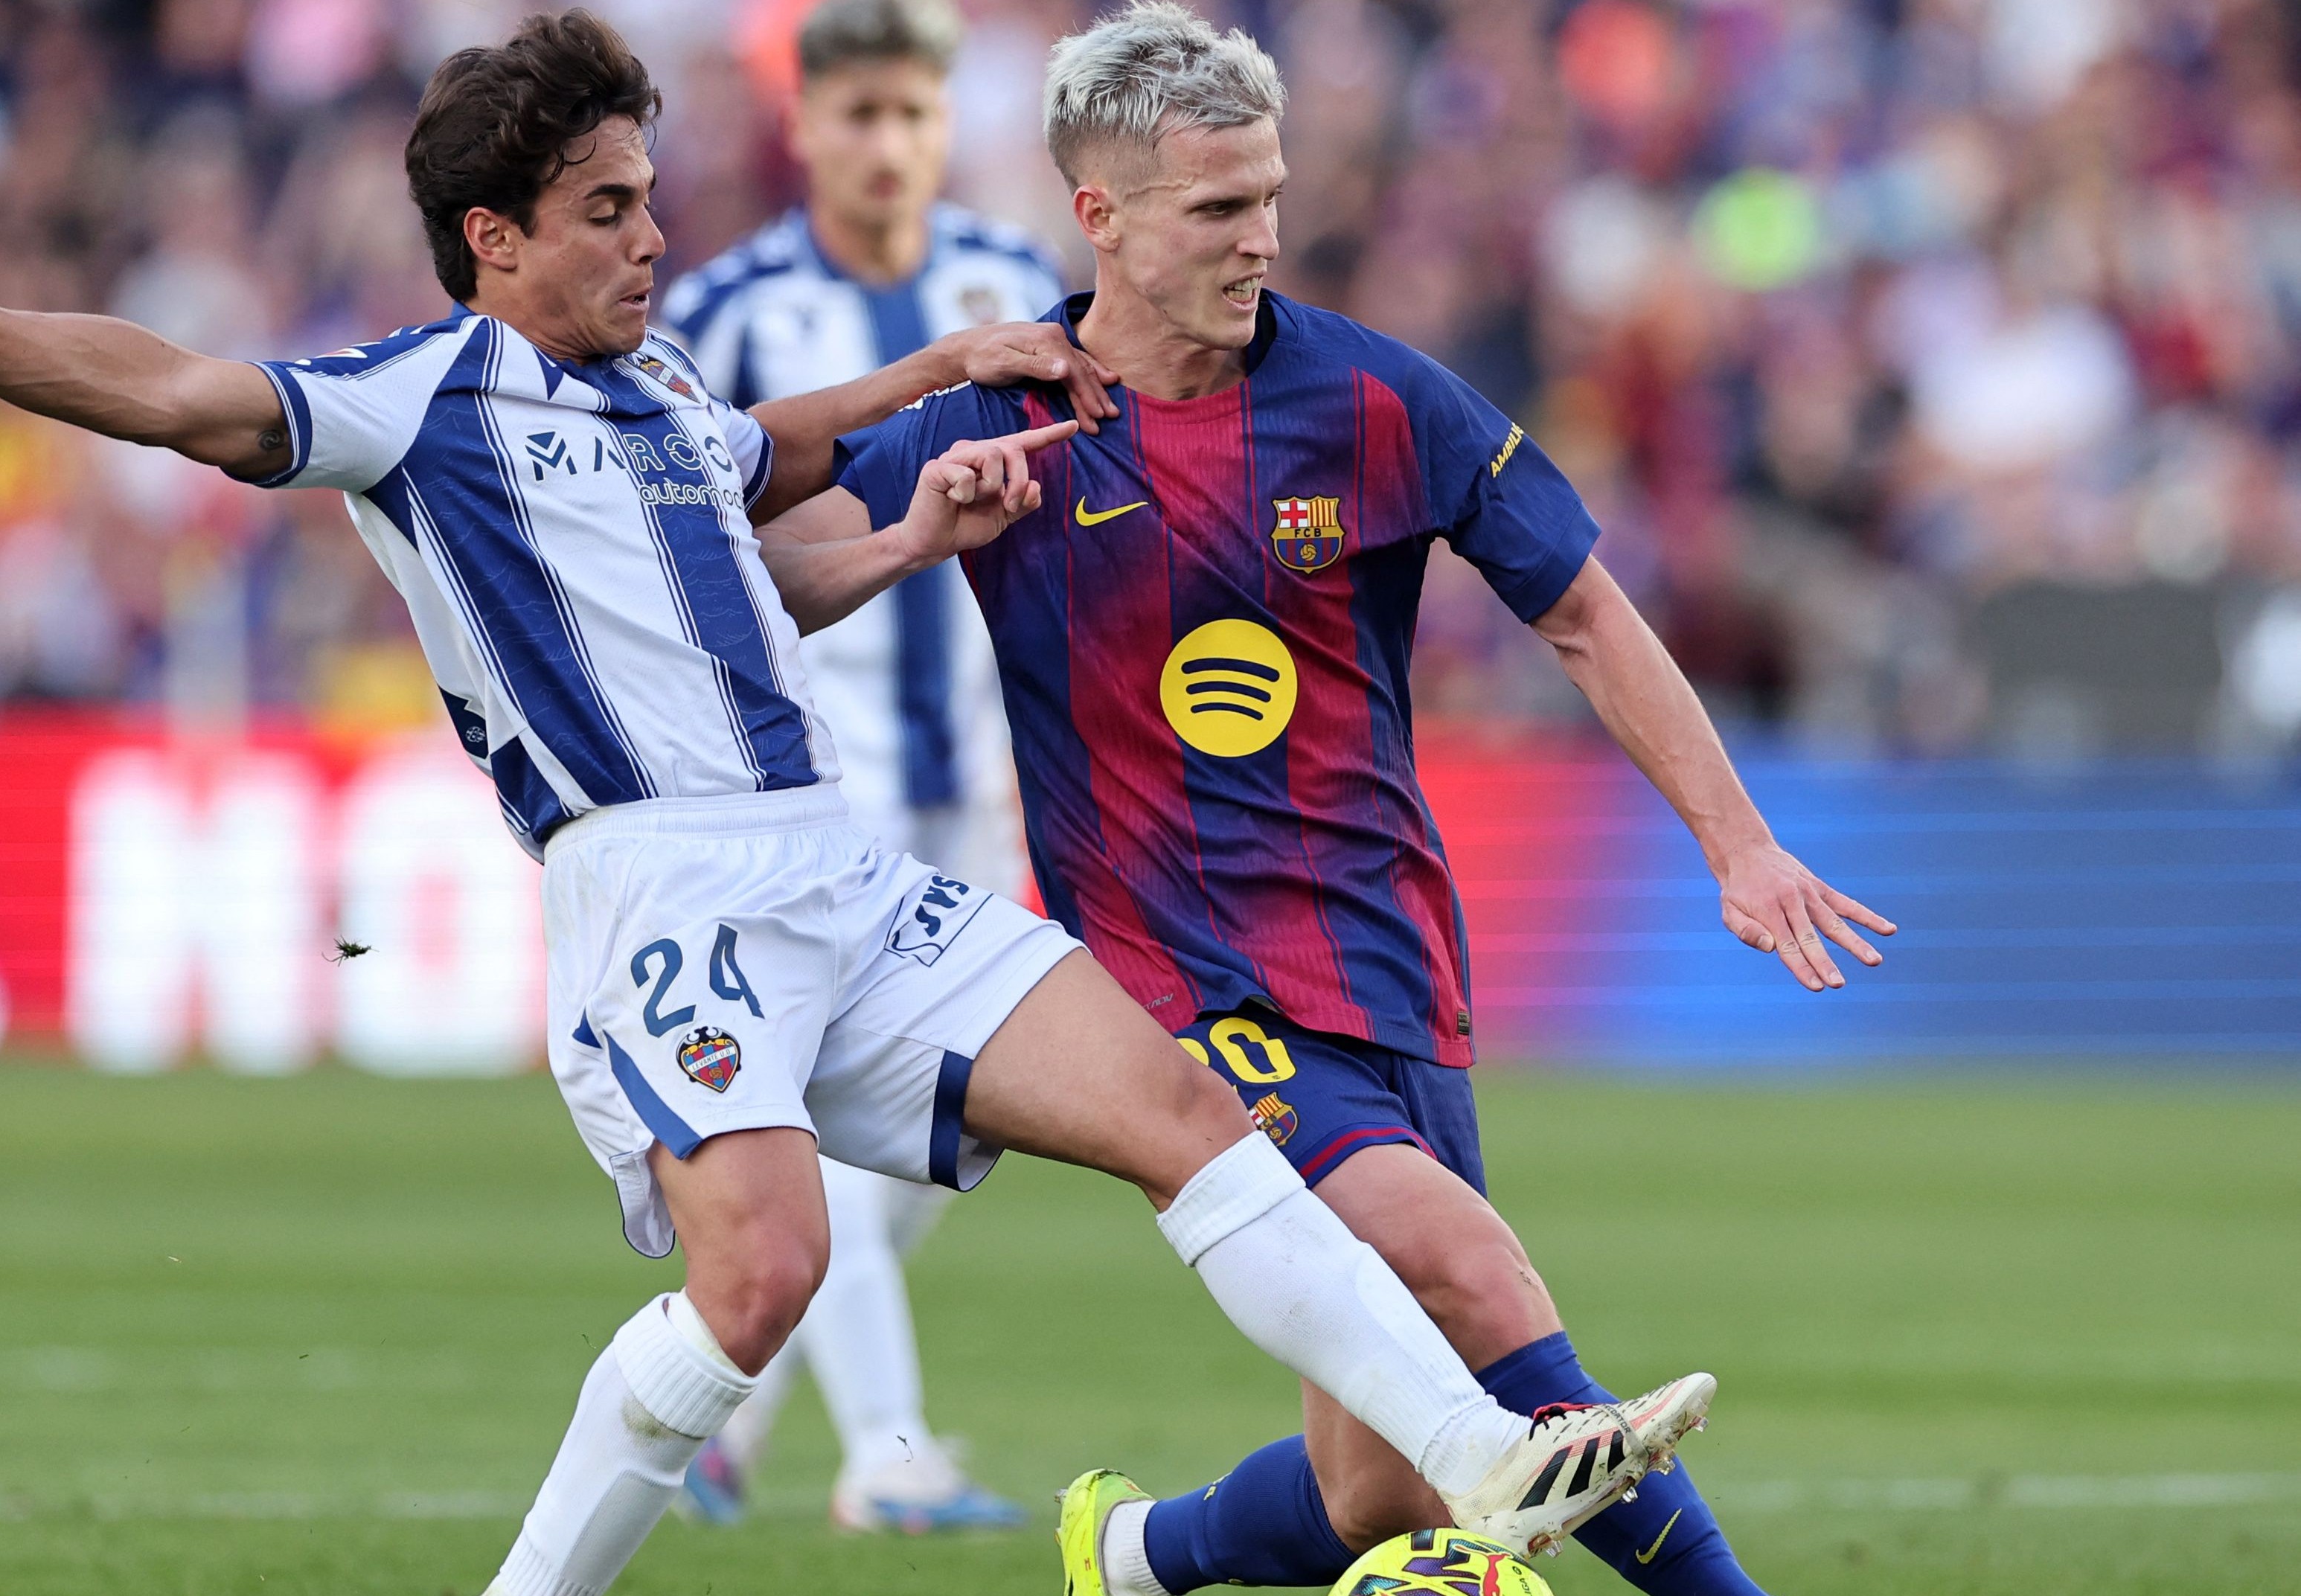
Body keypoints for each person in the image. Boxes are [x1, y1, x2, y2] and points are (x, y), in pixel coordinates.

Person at [0, 14, 1709, 1595]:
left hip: (833, 865)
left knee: (1182, 1110)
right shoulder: (421, 401)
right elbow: (171, 388)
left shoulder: (665, 395)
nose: (647, 239)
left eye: (647, 199)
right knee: (763, 1275)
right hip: (658, 890)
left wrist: (921, 476)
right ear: (494, 239)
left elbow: (766, 512)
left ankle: (1481, 1458)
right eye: (604, 211)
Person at [775, 7, 1895, 1596]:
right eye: (1218, 208)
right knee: (1470, 1274)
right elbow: (747, 560)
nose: (1263, 238)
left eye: (1270, 198)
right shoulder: (997, 419)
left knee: (1371, 1482)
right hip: (1178, 987)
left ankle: (1137, 1551)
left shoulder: (1375, 400)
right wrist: (906, 526)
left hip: (1384, 960)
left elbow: (1582, 609)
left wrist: (1739, 842)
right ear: (1099, 216)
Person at [656, 0, 1060, 1534]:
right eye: (858, 114)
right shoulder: (731, 309)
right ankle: (889, 1461)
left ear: (944, 124)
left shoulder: (1013, 283)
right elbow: (680, 527)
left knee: (957, 1124)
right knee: (844, 1119)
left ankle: (720, 1413)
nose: (886, 143)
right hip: (823, 780)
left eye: (911, 113)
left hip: (985, 765)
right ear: (806, 125)